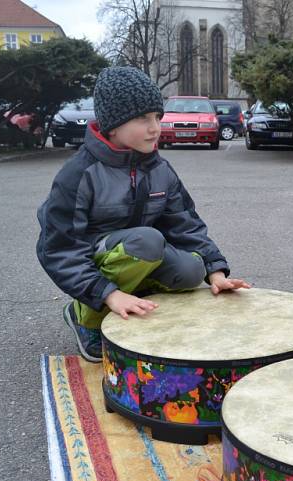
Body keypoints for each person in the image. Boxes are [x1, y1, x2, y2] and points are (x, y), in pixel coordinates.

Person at [37, 67, 249, 363]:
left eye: (157, 117)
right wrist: (107, 293)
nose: (155, 128)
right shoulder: (79, 174)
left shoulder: (159, 168)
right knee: (147, 241)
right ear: (113, 125)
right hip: (96, 261)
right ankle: (86, 317)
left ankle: (136, 296)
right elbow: (59, 250)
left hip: (138, 250)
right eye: (143, 119)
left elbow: (185, 224)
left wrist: (215, 271)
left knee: (192, 271)